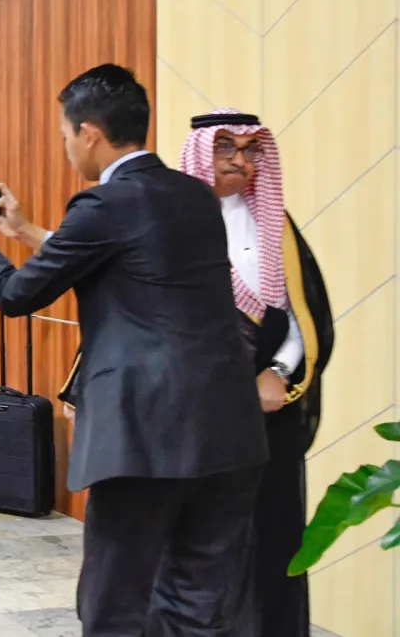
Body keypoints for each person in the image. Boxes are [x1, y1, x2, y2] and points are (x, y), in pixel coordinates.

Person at [0, 64, 268, 634]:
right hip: (227, 430)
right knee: (200, 606)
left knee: (114, 605)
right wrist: (23, 230)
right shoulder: (193, 196)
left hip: (144, 434)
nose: (67, 150)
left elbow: (17, 294)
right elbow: (131, 260)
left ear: (90, 133)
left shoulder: (103, 204)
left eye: (66, 137)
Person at [179, 109, 334, 637]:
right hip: (190, 419)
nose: (240, 162)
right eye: (226, 149)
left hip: (267, 418)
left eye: (250, 151)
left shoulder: (277, 227)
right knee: (197, 551)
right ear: (201, 152)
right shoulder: (169, 222)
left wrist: (277, 371)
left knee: (271, 541)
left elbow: (302, 316)